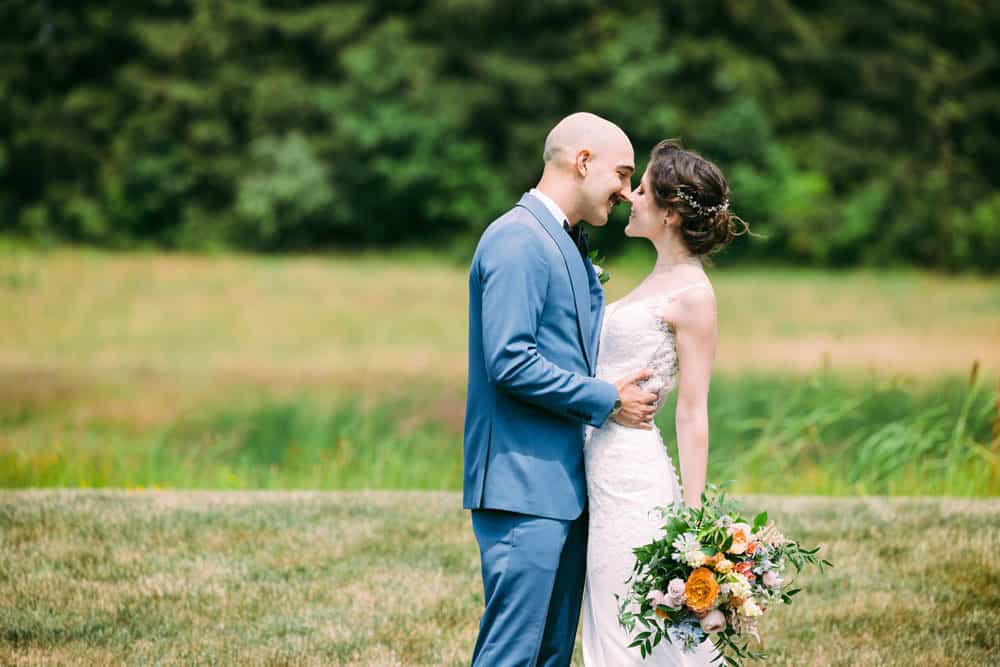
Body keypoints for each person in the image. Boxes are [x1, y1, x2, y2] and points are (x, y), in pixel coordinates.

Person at [462, 112, 661, 666]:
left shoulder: (566, 243)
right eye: (622, 175)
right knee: (512, 653)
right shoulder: (517, 239)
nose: (626, 192)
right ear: (582, 162)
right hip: (520, 483)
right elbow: (509, 360)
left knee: (550, 655)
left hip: (564, 486)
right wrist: (607, 398)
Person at [581, 139, 748, 665]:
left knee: (628, 628)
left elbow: (693, 411)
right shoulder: (657, 278)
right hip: (599, 463)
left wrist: (695, 527)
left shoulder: (694, 296)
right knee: (610, 620)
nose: (630, 194)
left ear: (671, 214)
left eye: (643, 188)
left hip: (632, 480)